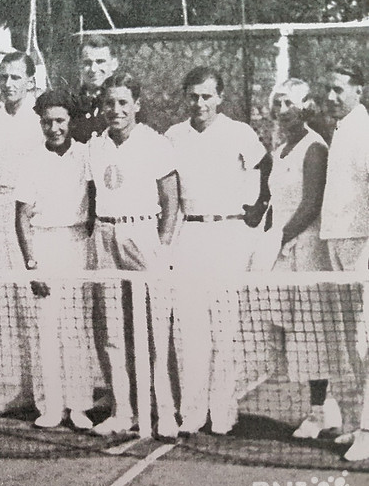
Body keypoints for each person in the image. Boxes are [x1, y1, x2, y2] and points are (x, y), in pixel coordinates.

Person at [166, 66, 271, 436]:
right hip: (189, 235)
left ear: (220, 97)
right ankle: (192, 412)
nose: (200, 103)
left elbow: (265, 170)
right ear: (186, 97)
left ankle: (223, 411)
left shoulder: (239, 132)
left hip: (228, 236)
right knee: (188, 330)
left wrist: (255, 212)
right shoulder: (173, 135)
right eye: (193, 96)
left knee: (225, 330)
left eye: (207, 96)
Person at [87, 74, 179, 438]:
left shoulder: (156, 143)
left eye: (123, 102)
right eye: (109, 103)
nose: (116, 110)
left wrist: (163, 246)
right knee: (111, 330)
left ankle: (165, 413)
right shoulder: (95, 146)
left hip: (143, 234)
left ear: (137, 105)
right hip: (105, 236)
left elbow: (171, 200)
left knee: (155, 330)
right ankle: (122, 411)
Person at [252, 78, 342, 442]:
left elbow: (311, 205)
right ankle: (327, 407)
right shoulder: (280, 150)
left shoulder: (315, 147)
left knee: (312, 332)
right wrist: (262, 229)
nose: (282, 110)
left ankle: (318, 412)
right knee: (288, 330)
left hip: (307, 250)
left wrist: (278, 238)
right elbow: (275, 203)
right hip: (283, 248)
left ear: (306, 107)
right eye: (278, 103)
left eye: (289, 103)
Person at [15, 90, 98, 430]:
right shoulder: (30, 160)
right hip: (44, 245)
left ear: (70, 121)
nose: (54, 128)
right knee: (45, 330)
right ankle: (50, 406)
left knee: (76, 329)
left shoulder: (86, 155)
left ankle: (79, 406)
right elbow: (21, 217)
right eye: (47, 122)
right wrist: (32, 264)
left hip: (78, 244)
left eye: (60, 121)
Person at [315, 64, 369, 461]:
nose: (331, 96)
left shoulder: (363, 130)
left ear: (359, 91)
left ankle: (368, 430)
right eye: (328, 89)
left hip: (362, 243)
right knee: (351, 342)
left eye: (339, 89)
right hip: (338, 240)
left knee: (365, 341)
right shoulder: (342, 129)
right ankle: (356, 424)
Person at [0, 52, 44, 270]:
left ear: (31, 82)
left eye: (16, 77)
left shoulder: (40, 118)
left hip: (31, 207)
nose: (8, 84)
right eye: (4, 77)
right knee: (1, 273)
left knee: (31, 271)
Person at [72, 35, 118, 143]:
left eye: (100, 62)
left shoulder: (125, 102)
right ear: (80, 65)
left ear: (114, 64)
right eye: (87, 63)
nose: (93, 69)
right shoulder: (72, 103)